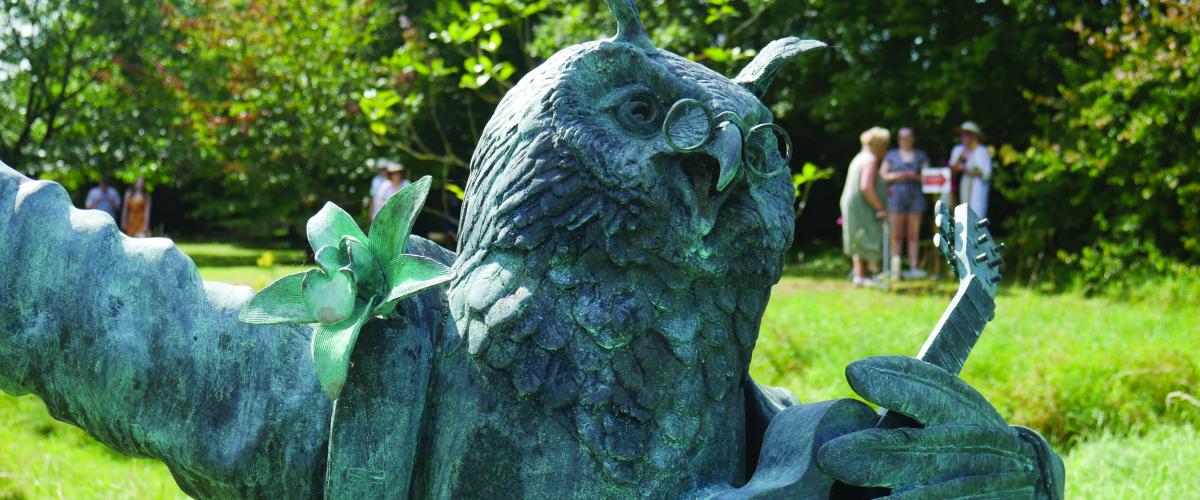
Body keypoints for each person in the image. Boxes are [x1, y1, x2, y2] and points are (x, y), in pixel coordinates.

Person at [840, 127, 890, 288]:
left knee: (857, 237)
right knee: (869, 235)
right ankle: (871, 274)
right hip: (862, 205)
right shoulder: (871, 160)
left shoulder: (859, 157)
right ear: (880, 146)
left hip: (851, 204)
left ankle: (859, 276)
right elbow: (866, 187)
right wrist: (880, 208)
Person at [880, 127, 930, 281]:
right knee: (896, 234)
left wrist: (914, 177)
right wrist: (899, 175)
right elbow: (883, 175)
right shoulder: (891, 155)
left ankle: (913, 268)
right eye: (902, 138)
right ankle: (895, 268)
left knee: (913, 234)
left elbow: (928, 177)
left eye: (908, 137)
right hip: (896, 198)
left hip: (916, 198)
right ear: (898, 139)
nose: (905, 141)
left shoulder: (921, 155)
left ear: (913, 138)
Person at [949, 121, 992, 217]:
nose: (963, 137)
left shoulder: (981, 151)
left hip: (977, 187)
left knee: (976, 212)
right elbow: (952, 170)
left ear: (974, 136)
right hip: (960, 186)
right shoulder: (958, 150)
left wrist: (966, 170)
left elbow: (985, 174)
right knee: (962, 213)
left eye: (966, 135)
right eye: (962, 134)